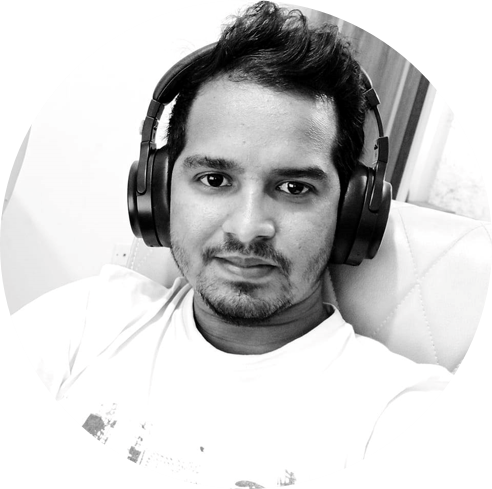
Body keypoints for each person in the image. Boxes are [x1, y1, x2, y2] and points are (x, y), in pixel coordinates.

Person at [13, 1, 451, 485]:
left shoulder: (396, 409)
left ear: (352, 212)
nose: (246, 229)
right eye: (215, 179)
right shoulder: (80, 323)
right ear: (158, 192)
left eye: (294, 188)